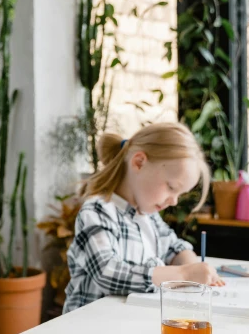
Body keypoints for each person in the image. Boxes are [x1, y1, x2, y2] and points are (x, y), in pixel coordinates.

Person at [63, 122, 225, 314]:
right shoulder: (96, 212)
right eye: (171, 188)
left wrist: (193, 266)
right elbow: (107, 272)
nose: (173, 201)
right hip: (88, 328)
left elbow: (174, 248)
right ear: (139, 162)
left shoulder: (149, 216)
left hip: (128, 325)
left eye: (179, 194)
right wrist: (183, 274)